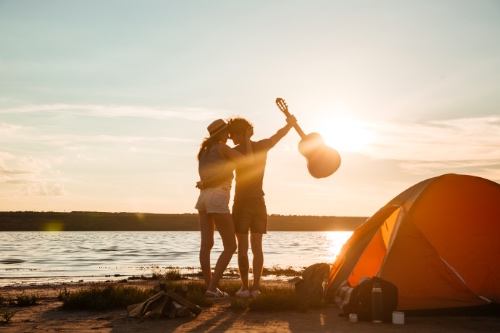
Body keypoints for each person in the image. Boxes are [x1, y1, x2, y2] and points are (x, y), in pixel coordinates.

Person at [228, 115, 296, 298]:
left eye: (232, 134)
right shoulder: (262, 146)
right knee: (257, 247)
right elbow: (278, 135)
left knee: (243, 246)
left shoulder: (234, 151)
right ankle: (256, 288)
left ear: (240, 134)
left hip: (242, 203)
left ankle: (245, 288)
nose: (230, 138)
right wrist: (289, 125)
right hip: (259, 202)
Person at [194, 119, 253, 299]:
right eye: (226, 132)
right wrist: (248, 140)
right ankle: (212, 289)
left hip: (203, 198)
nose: (228, 135)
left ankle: (209, 288)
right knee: (230, 245)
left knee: (206, 245)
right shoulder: (222, 148)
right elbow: (249, 162)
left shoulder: (203, 152)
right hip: (218, 196)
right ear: (221, 133)